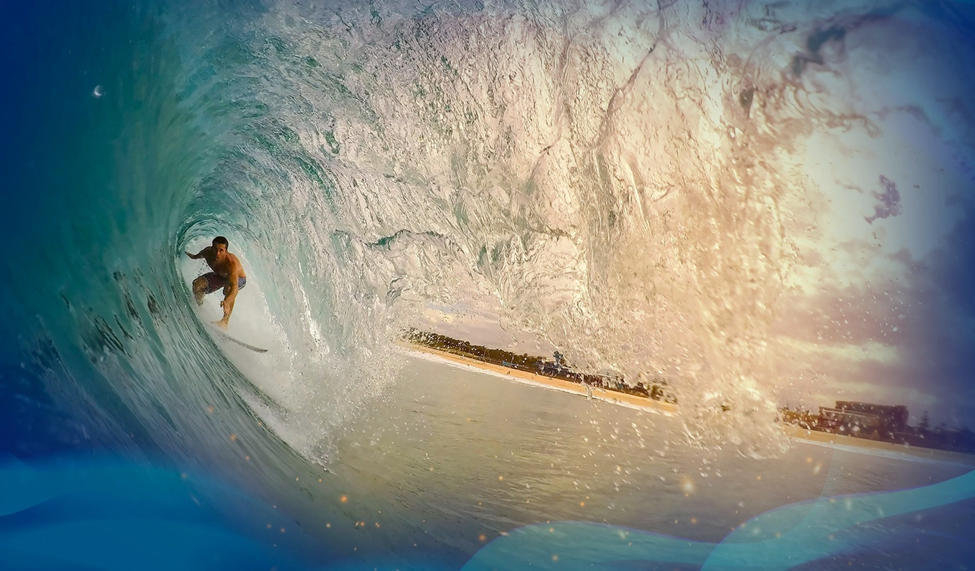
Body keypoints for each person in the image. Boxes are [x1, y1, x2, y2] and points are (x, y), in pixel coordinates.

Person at [185, 236, 247, 329]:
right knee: (197, 284)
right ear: (211, 247)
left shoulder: (231, 264)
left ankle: (225, 321)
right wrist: (193, 256)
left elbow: (234, 287)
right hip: (221, 276)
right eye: (215, 249)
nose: (217, 253)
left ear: (226, 251)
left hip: (239, 279)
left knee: (227, 290)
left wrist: (227, 301)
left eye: (221, 250)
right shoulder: (207, 252)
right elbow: (198, 255)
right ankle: (199, 306)